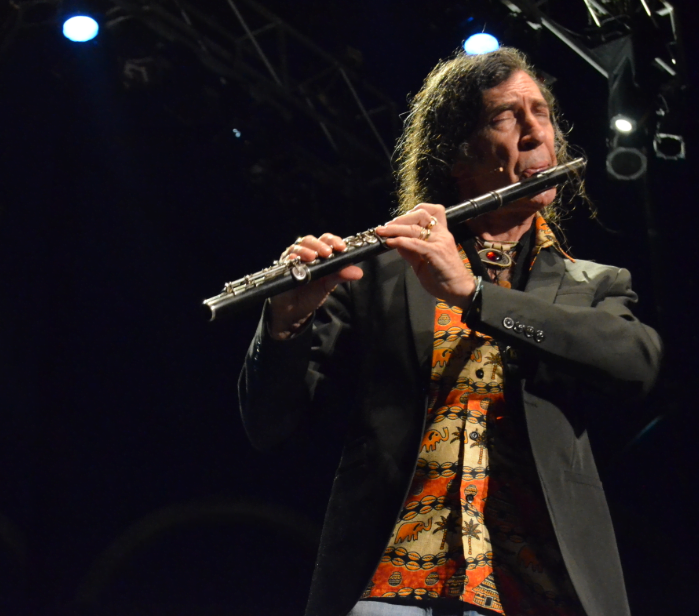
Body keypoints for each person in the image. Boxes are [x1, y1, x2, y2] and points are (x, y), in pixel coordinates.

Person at [239, 47, 661, 616]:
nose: (537, 133)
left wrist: (475, 295)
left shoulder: (595, 285)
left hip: (538, 589)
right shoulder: (380, 272)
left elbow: (636, 363)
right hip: (393, 585)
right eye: (506, 117)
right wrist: (286, 318)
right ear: (458, 158)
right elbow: (268, 424)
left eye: (542, 113)